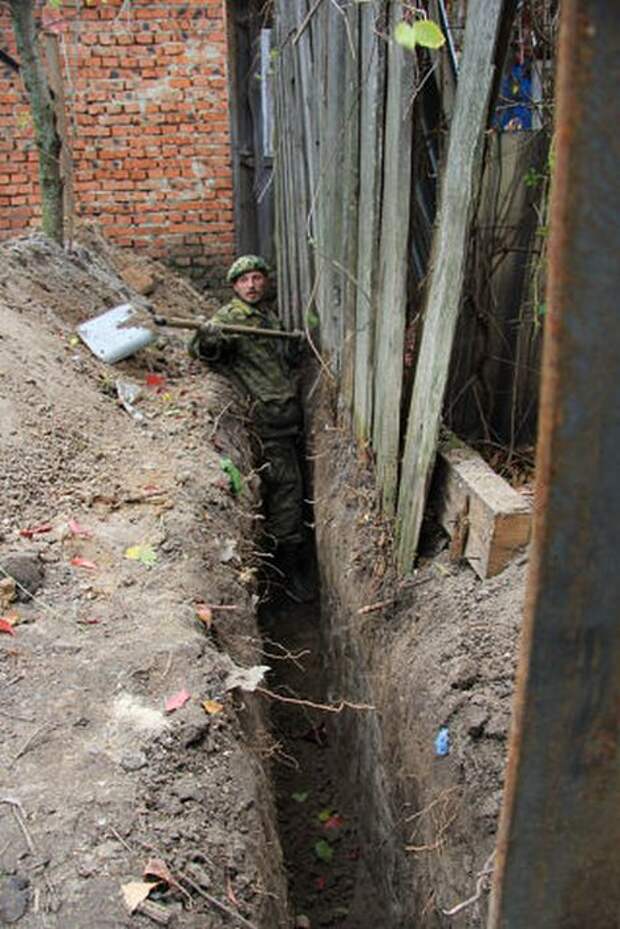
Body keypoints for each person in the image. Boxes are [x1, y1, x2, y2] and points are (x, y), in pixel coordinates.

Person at [189, 255, 313, 602]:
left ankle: (284, 574)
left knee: (288, 491)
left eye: (257, 278)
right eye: (245, 281)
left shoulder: (267, 317)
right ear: (234, 286)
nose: (252, 285)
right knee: (286, 492)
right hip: (268, 422)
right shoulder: (230, 319)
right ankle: (284, 581)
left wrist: (294, 342)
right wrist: (208, 338)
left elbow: (282, 362)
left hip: (286, 417)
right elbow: (207, 351)